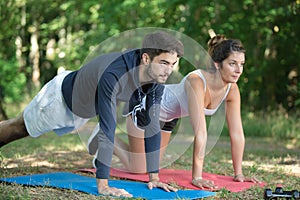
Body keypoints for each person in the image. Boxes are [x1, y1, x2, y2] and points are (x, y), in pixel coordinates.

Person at [0, 31, 184, 197]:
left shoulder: (155, 80)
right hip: (60, 101)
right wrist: (103, 185)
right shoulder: (114, 73)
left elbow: (152, 125)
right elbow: (108, 128)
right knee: (19, 128)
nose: (169, 70)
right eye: (164, 63)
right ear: (146, 58)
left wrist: (154, 177)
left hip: (85, 109)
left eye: (173, 64)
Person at [114, 35, 261, 190]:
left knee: (153, 164)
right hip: (146, 107)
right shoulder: (196, 81)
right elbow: (201, 131)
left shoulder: (232, 89)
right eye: (232, 64)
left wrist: (239, 174)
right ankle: (104, 138)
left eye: (242, 64)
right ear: (217, 64)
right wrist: (197, 177)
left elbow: (237, 133)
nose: (239, 70)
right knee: (139, 169)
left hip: (168, 119)